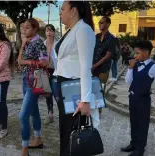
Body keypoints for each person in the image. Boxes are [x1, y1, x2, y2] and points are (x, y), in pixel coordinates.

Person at [53, 2, 96, 155]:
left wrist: (85, 100)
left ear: (73, 11)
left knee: (72, 133)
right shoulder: (71, 31)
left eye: (62, 9)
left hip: (73, 89)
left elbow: (85, 66)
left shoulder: (83, 30)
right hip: (64, 86)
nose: (60, 13)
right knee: (65, 131)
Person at [122, 41, 155, 156]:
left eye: (137, 53)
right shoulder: (135, 65)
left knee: (142, 124)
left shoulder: (154, 67)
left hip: (143, 100)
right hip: (132, 97)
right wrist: (130, 68)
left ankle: (140, 149)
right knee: (134, 121)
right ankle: (134, 143)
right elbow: (127, 81)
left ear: (146, 52)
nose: (135, 56)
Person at [17, 18, 48, 156]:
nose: (24, 29)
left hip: (35, 80)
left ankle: (24, 148)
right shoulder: (27, 42)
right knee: (34, 110)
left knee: (23, 116)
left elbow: (45, 62)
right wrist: (23, 45)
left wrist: (26, 62)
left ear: (35, 29)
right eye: (24, 27)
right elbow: (19, 61)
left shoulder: (39, 42)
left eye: (28, 27)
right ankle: (38, 139)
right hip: (26, 80)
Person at [92, 16, 116, 116]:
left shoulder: (112, 38)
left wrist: (95, 65)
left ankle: (99, 110)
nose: (100, 24)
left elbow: (108, 55)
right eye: (99, 23)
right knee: (93, 88)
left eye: (102, 23)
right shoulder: (96, 37)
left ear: (108, 24)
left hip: (103, 69)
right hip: (93, 68)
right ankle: (93, 107)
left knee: (100, 89)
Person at [43, 24, 57, 125]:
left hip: (56, 71)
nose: (48, 32)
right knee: (48, 93)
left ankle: (63, 112)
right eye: (47, 30)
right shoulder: (43, 44)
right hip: (45, 71)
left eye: (51, 30)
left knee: (57, 93)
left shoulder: (57, 44)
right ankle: (50, 113)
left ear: (54, 32)